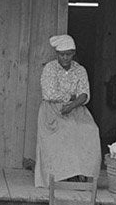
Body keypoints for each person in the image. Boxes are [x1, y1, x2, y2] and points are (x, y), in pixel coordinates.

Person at [34, 34, 103, 188]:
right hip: (52, 111)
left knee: (90, 130)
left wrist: (72, 104)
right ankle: (61, 175)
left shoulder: (80, 70)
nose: (65, 58)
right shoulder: (50, 68)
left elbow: (84, 94)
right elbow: (49, 94)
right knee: (67, 131)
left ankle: (82, 173)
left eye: (68, 54)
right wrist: (71, 96)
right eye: (61, 55)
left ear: (73, 53)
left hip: (75, 109)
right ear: (57, 54)